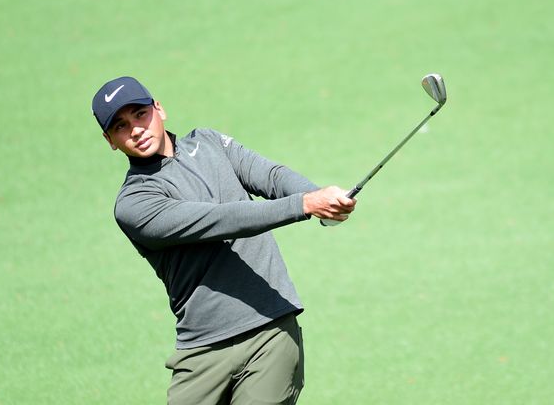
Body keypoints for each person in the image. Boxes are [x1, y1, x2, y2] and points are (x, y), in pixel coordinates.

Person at [91, 76, 356, 405]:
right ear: (110, 140)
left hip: (269, 330)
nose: (135, 129)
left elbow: (270, 176)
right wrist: (304, 205)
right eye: (120, 125)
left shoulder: (209, 142)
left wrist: (317, 197)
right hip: (201, 353)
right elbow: (219, 220)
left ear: (159, 109)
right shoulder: (134, 204)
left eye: (140, 114)